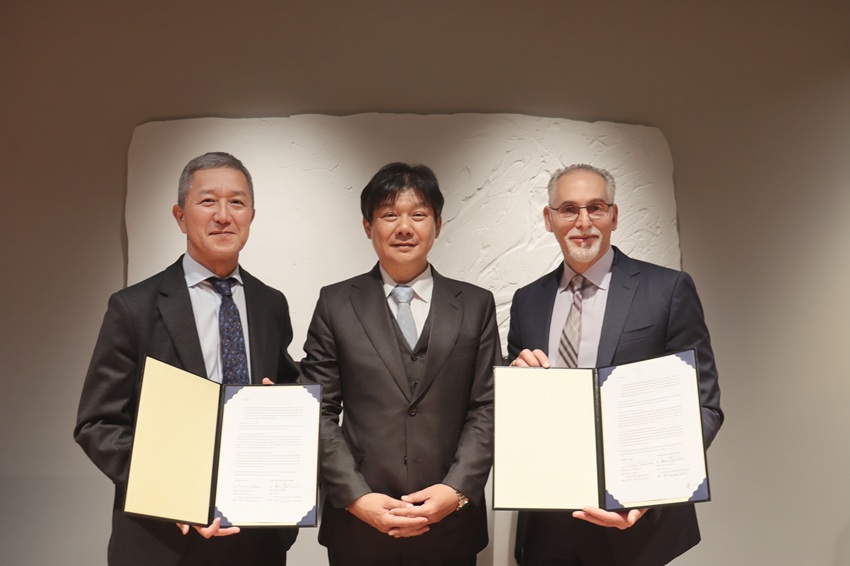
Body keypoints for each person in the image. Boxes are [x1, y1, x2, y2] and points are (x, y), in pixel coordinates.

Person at [74, 152, 299, 566]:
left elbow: (287, 392)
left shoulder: (270, 304)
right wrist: (171, 494)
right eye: (208, 201)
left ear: (251, 215)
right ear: (180, 216)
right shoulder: (133, 307)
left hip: (256, 538)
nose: (223, 216)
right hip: (163, 538)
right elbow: (98, 423)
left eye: (237, 202)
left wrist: (283, 405)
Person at [508, 164, 723, 566]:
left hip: (635, 524)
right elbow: (517, 414)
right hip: (546, 525)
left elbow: (704, 406)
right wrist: (516, 385)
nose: (583, 222)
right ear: (549, 219)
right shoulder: (527, 301)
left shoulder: (668, 289)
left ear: (614, 216)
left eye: (596, 207)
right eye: (568, 209)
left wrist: (651, 491)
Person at [301, 162, 502, 566]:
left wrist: (456, 491)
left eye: (418, 214)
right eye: (390, 215)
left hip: (451, 525)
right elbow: (317, 408)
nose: (405, 228)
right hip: (359, 525)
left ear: (438, 225)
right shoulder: (335, 303)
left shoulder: (475, 305)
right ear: (368, 226)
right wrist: (356, 496)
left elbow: (487, 406)